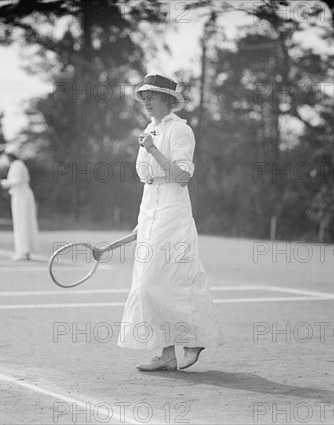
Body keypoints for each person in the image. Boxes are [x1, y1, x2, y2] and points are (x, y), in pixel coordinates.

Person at [118, 74, 223, 371]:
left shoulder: (180, 131)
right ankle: (166, 354)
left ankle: (194, 339)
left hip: (173, 211)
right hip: (150, 207)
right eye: (144, 95)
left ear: (168, 99)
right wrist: (145, 222)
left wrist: (152, 149)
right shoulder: (150, 128)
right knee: (146, 284)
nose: (146, 100)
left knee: (165, 280)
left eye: (151, 95)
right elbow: (145, 176)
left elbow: (182, 177)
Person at [0, 145, 39, 261]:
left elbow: (17, 181)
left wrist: (3, 183)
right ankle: (24, 251)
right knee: (23, 223)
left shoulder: (16, 165)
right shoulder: (19, 165)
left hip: (21, 197)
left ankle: (23, 251)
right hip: (21, 196)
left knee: (21, 223)